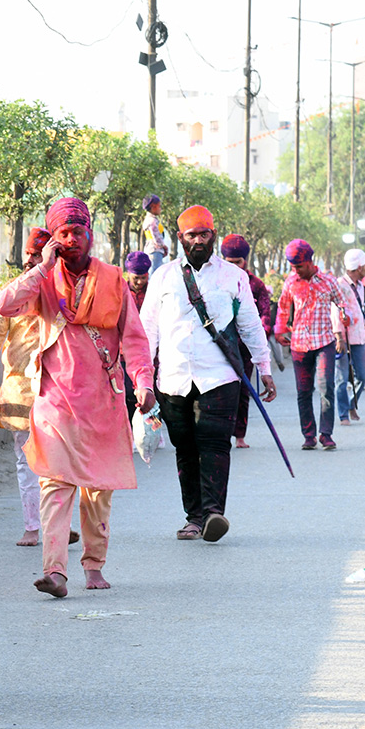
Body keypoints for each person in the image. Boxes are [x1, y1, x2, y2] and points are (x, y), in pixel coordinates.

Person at [0, 197, 154, 597]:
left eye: (77, 232)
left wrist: (144, 382)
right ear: (54, 238)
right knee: (54, 484)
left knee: (98, 492)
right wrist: (42, 266)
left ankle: (94, 565)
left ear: (91, 235)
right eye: (62, 234)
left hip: (103, 402)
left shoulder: (114, 280)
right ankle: (55, 572)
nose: (71, 240)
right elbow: (4, 305)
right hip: (54, 402)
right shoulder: (43, 281)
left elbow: (133, 339)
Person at [141, 207, 276, 542]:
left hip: (220, 375)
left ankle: (214, 512)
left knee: (215, 442)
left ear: (213, 235)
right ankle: (194, 517)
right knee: (184, 447)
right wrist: (143, 377)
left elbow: (250, 325)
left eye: (204, 234)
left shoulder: (233, 277)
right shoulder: (164, 277)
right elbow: (146, 331)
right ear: (180, 238)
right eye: (192, 235)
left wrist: (264, 367)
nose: (198, 241)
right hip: (173, 377)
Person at [0, 228, 51, 547]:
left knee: (57, 463)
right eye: (29, 254)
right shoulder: (12, 293)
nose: (32, 260)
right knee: (26, 461)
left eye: (39, 254)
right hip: (20, 391)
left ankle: (55, 523)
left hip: (59, 391)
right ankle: (33, 527)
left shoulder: (63, 293)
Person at [274, 239, 359, 450]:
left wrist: (345, 316)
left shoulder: (329, 282)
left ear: (310, 262)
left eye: (299, 266)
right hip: (299, 345)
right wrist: (279, 330)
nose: (296, 271)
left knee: (325, 387)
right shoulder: (291, 283)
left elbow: (343, 304)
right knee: (303, 392)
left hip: (324, 343)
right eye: (293, 267)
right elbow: (283, 309)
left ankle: (326, 434)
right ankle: (309, 435)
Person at [219, 233, 273, 447]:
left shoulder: (256, 285)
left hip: (244, 349)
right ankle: (220, 434)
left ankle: (239, 435)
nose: (233, 267)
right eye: (229, 263)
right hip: (219, 347)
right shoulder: (213, 282)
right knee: (220, 392)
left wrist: (259, 342)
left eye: (238, 263)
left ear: (246, 261)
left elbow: (265, 317)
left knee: (243, 391)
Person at [334, 248, 365, 426]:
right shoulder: (339, 285)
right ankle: (343, 414)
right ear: (359, 267)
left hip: (358, 336)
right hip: (343, 337)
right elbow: (335, 311)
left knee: (363, 376)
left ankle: (350, 404)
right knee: (341, 378)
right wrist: (338, 336)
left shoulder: (361, 287)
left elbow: (361, 310)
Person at [122, 250, 152, 423]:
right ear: (128, 274)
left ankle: (153, 431)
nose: (140, 282)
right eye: (136, 278)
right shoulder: (119, 291)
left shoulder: (154, 292)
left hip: (150, 352)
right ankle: (131, 432)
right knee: (128, 395)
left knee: (150, 393)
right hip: (125, 352)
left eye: (143, 277)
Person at [141, 194, 168, 272]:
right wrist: (163, 246)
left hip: (151, 249)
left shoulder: (149, 219)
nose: (160, 209)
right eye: (159, 206)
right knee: (155, 272)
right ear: (153, 207)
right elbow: (156, 236)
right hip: (155, 250)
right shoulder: (152, 221)